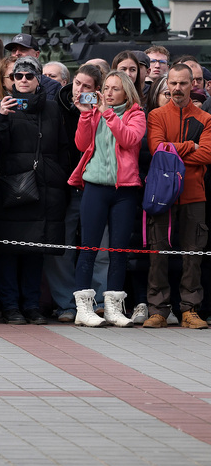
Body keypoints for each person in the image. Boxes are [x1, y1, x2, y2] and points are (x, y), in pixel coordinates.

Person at [0, 56, 69, 325]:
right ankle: (10, 306)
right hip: (12, 188)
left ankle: (32, 306)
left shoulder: (52, 108)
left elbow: (63, 147)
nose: (23, 80)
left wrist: (58, 177)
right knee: (9, 251)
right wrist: (1, 119)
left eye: (29, 76)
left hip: (44, 188)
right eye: (18, 76)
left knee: (36, 250)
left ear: (38, 79)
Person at [69, 70, 146, 327]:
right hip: (95, 188)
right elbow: (81, 144)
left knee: (119, 250)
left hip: (124, 190)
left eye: (115, 89)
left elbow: (129, 139)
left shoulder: (136, 114)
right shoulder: (94, 112)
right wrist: (84, 113)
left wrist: (108, 113)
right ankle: (83, 308)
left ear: (126, 91)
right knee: (89, 247)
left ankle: (113, 307)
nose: (109, 93)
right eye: (107, 88)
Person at [143, 63, 211, 329]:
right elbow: (156, 149)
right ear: (167, 84)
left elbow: (207, 154)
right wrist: (188, 146)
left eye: (183, 83)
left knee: (193, 255)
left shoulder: (205, 118)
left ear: (192, 85)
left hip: (194, 195)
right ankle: (157, 309)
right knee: (157, 253)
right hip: (161, 194)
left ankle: (190, 309)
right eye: (173, 83)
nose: (178, 89)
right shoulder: (157, 115)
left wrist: (172, 149)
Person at [45, 64, 109, 322]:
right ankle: (66, 303)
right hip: (65, 185)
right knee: (62, 248)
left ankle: (102, 301)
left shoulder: (106, 110)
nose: (79, 91)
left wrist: (100, 111)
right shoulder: (55, 106)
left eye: (87, 87)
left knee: (101, 248)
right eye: (77, 84)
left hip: (97, 186)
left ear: (98, 91)